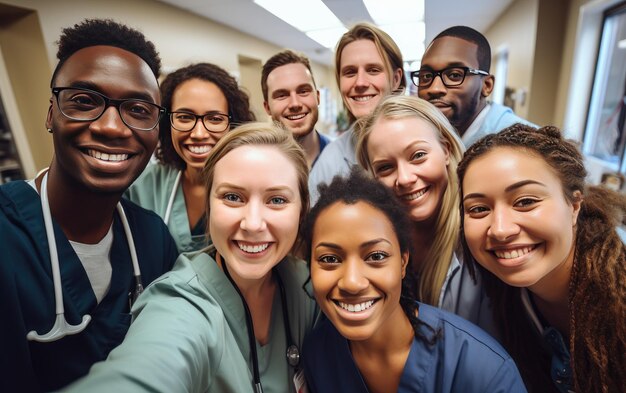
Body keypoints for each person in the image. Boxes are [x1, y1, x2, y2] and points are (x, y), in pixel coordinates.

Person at [65, 123, 318, 393]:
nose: (253, 224)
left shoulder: (308, 288)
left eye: (277, 200)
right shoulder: (180, 303)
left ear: (302, 210)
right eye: (233, 197)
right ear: (209, 206)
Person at [0, 19, 178, 392]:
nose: (112, 127)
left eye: (138, 109)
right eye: (84, 101)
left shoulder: (153, 239)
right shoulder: (7, 236)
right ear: (52, 114)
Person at [301, 169, 527, 393]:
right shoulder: (317, 356)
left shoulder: (482, 370)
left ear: (403, 262)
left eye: (376, 257)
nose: (352, 282)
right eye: (329, 259)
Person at [458, 124, 626, 393]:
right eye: (478, 209)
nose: (500, 229)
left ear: (574, 206)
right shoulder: (501, 299)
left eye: (525, 202)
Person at [354, 95, 495, 336]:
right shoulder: (375, 238)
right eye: (385, 167)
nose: (405, 178)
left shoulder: (485, 232)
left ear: (446, 150)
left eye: (418, 155)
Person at [126, 63, 255, 252]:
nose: (199, 133)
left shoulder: (255, 185)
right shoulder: (142, 187)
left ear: (233, 124)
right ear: (166, 122)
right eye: (185, 117)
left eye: (215, 119)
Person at [308, 22, 404, 203]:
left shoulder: (427, 139)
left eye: (373, 70)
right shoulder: (329, 163)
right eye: (350, 72)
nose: (360, 83)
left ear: (396, 79)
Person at [414, 25, 534, 147]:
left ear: (487, 85)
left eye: (455, 75)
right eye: (427, 76)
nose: (434, 88)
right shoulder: (427, 135)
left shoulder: (525, 146)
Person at [262, 49, 330, 170]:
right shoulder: (258, 167)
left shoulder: (345, 160)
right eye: (282, 95)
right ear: (267, 108)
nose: (295, 104)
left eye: (303, 91)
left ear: (318, 97)